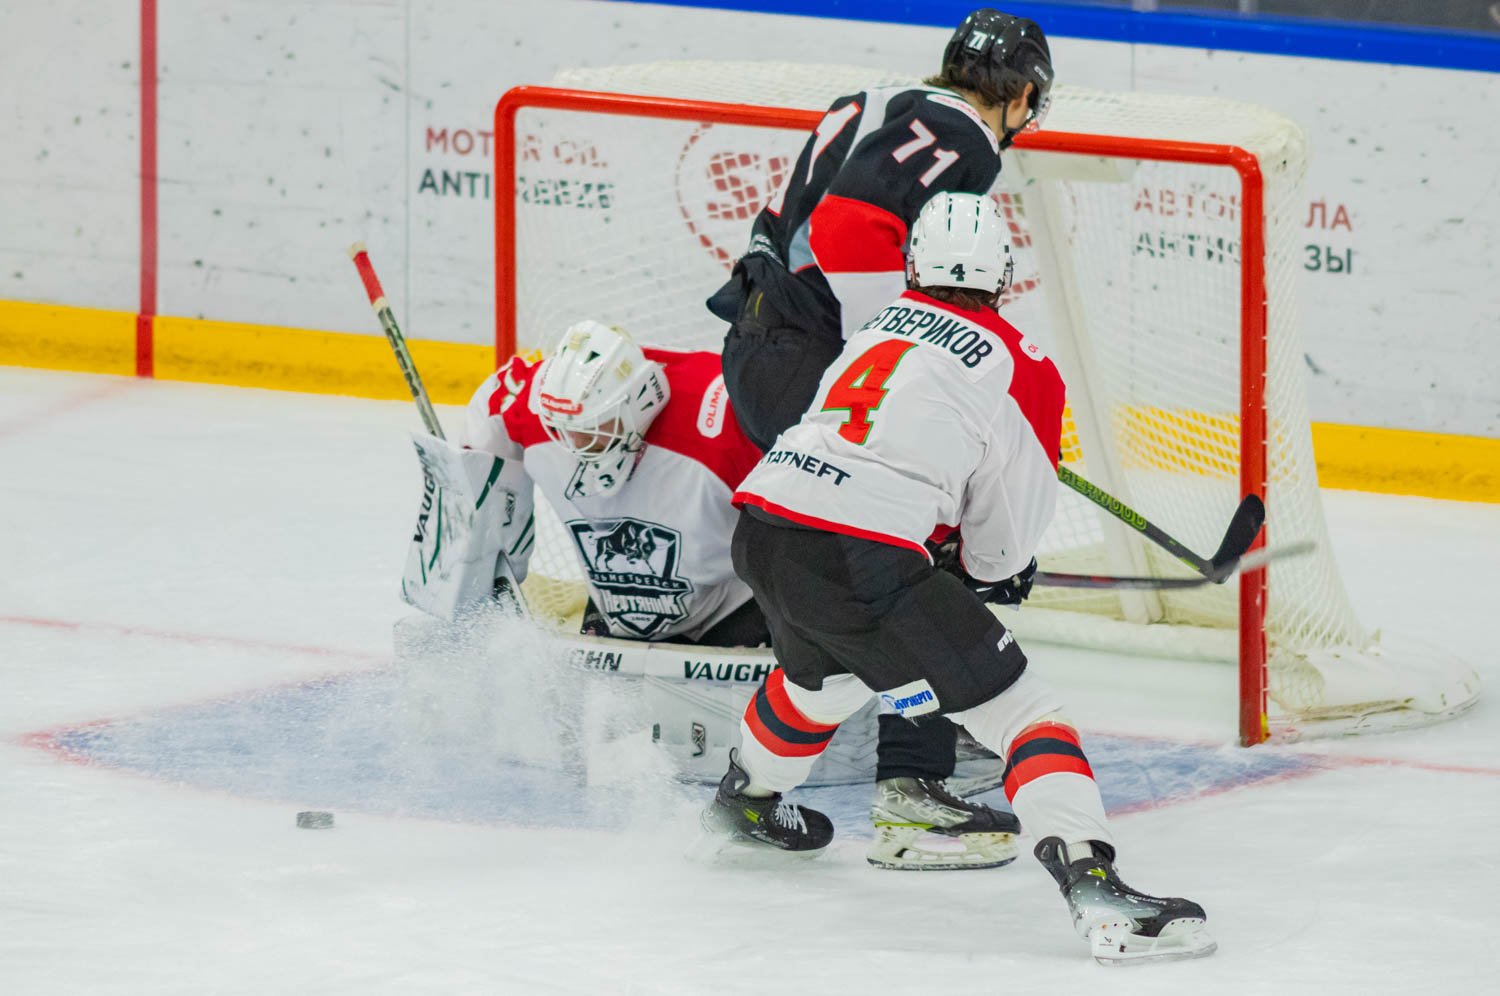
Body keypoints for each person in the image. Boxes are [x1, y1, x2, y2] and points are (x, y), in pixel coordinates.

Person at [702, 192, 1216, 966]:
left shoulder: (878, 325)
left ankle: (744, 801)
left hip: (767, 528)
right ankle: (1097, 888)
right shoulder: (1022, 364)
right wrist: (991, 568)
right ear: (1004, 275)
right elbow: (1003, 545)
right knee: (1025, 712)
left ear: (913, 268)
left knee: (823, 681)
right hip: (858, 553)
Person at [459, 320, 1019, 870]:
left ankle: (905, 768)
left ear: (639, 402)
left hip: (739, 608)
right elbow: (491, 410)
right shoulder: (535, 405)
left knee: (866, 624)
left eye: (592, 430)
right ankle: (863, 778)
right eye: (562, 431)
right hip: (623, 609)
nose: (574, 447)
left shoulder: (726, 413)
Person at [704, 7, 1053, 851]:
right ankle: (913, 781)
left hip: (763, 346)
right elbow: (845, 227)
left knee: (846, 569)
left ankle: (767, 775)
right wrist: (899, 355)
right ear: (1024, 95)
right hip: (816, 356)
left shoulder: (876, 99)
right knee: (916, 556)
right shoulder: (965, 135)